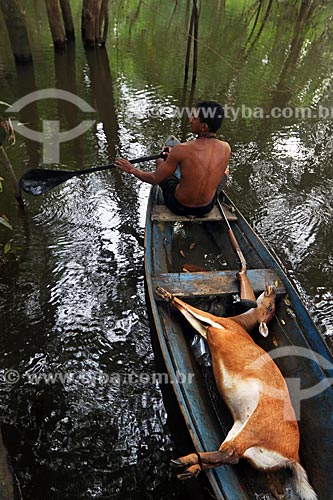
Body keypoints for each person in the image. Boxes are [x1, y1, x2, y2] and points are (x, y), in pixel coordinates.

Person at [115, 101, 231, 215]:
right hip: (206, 207)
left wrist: (132, 169)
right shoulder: (226, 148)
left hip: (179, 206)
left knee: (160, 161)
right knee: (226, 171)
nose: (190, 120)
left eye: (194, 118)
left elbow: (154, 178)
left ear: (204, 127)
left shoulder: (181, 149)